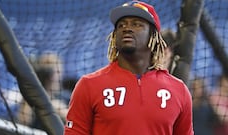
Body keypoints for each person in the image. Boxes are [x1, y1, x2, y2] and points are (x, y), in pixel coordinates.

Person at [64, 1, 193, 135]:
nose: (127, 28)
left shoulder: (179, 90)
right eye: (121, 25)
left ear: (153, 36)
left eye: (137, 24)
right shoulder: (89, 85)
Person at [18, 52, 71, 129]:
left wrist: (63, 112)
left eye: (56, 69)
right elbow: (23, 121)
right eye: (47, 66)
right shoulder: (33, 95)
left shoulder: (67, 97)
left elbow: (76, 125)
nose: (52, 75)